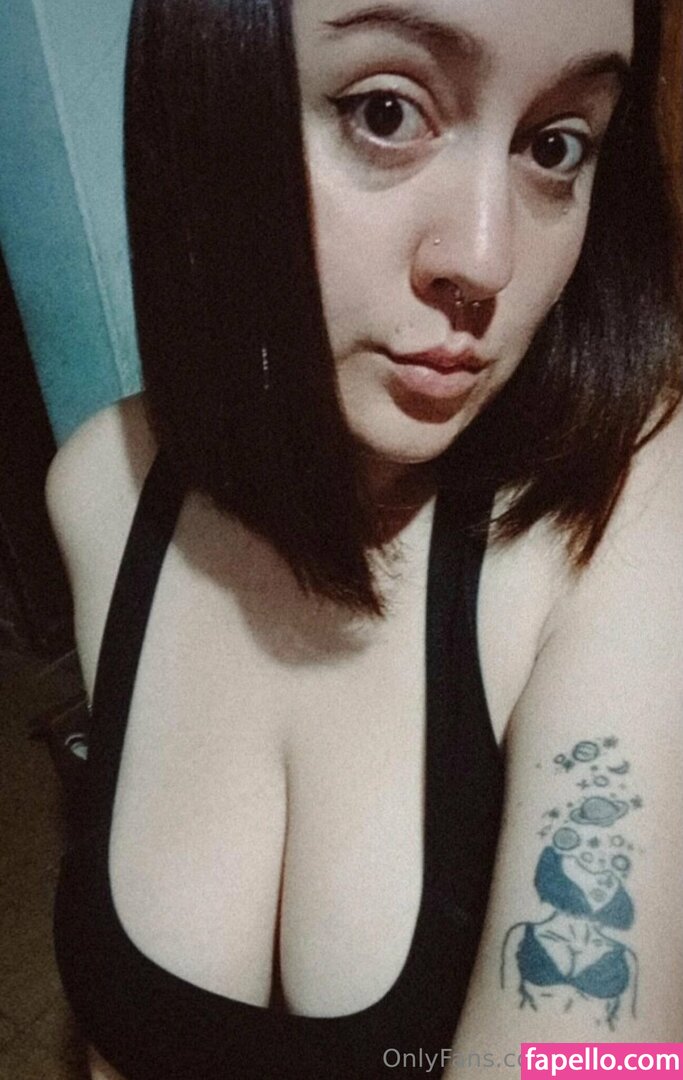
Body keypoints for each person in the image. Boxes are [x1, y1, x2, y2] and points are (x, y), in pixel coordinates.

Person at [47, 0, 682, 1077]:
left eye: (554, 145)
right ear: (210, 105)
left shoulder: (630, 504)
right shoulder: (103, 486)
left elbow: (605, 1057)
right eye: (385, 112)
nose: (482, 260)